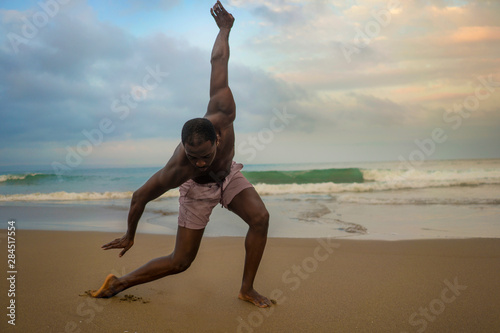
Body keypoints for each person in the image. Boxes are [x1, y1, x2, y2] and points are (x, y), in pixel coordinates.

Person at [91, 1, 272, 308]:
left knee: (261, 218)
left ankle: (246, 288)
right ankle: (118, 283)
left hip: (228, 177)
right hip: (197, 192)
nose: (199, 162)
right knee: (180, 262)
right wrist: (129, 234)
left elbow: (217, 61)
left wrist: (225, 29)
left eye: (203, 155)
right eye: (193, 157)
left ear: (217, 138)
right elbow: (140, 195)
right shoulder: (180, 168)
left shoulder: (223, 111)